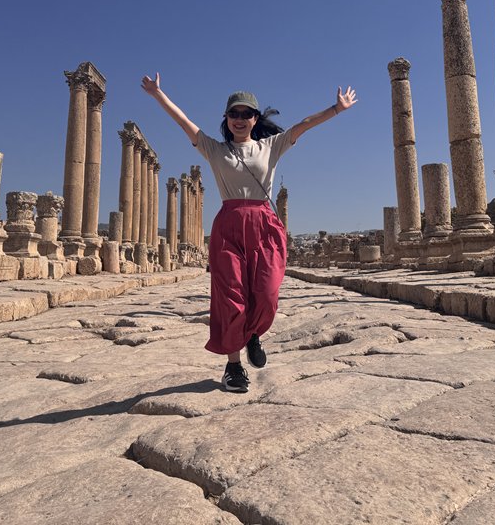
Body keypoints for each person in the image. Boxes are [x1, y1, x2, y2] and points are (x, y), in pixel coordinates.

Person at [141, 73, 357, 392]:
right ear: (226, 119)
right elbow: (183, 120)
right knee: (231, 299)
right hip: (229, 224)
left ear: (255, 119)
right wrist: (159, 94)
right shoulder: (215, 150)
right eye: (234, 114)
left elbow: (303, 124)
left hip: (263, 223)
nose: (240, 119)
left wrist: (336, 109)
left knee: (267, 294)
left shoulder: (271, 145)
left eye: (246, 114)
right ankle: (233, 367)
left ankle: (253, 334)